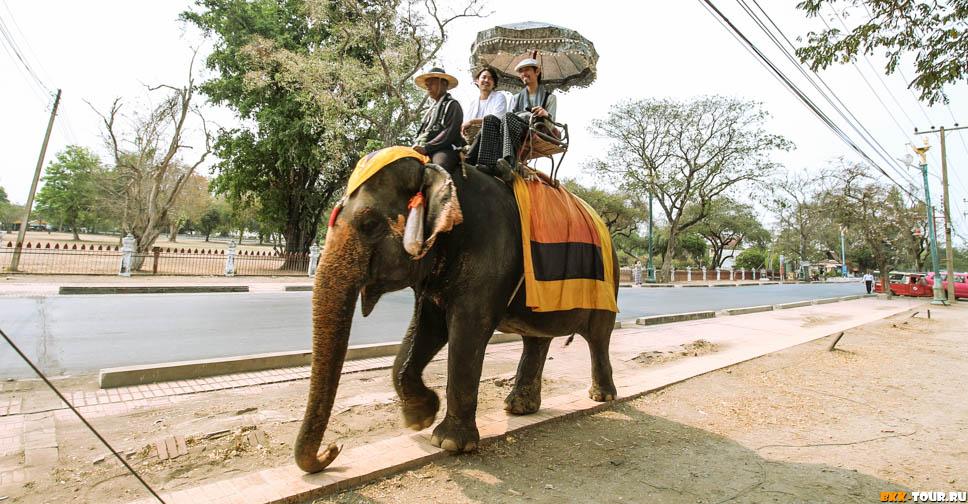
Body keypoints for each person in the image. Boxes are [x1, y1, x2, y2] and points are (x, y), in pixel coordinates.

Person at [466, 57, 558, 181]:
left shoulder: (550, 98)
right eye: (521, 71)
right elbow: (505, 121)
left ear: (537, 72)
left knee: (508, 117)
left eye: (527, 70)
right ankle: (486, 163)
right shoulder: (516, 98)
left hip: (535, 128)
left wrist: (545, 114)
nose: (523, 74)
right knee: (490, 119)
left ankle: (509, 163)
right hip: (514, 126)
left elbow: (551, 126)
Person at [412, 67, 464, 174]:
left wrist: (427, 148)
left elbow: (449, 132)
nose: (428, 87)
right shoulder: (431, 110)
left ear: (443, 84)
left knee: (438, 168)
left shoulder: (453, 105)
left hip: (445, 149)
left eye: (431, 83)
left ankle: (445, 190)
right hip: (425, 146)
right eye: (427, 84)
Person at [461, 67, 507, 136]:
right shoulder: (472, 102)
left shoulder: (499, 97)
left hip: (492, 137)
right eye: (484, 77)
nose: (486, 80)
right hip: (471, 138)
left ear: (494, 84)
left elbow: (496, 119)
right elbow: (465, 122)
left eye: (490, 78)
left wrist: (472, 122)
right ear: (477, 81)